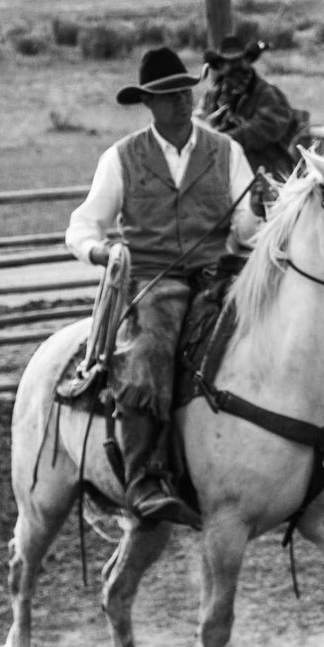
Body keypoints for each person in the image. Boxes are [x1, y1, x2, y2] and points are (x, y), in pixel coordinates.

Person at [64, 45, 262, 526]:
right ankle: (144, 477)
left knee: (276, 329)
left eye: (184, 90)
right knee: (151, 348)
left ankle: (306, 449)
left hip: (219, 276)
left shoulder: (226, 151)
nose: (180, 100)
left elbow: (246, 228)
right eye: (167, 94)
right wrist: (103, 251)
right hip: (154, 280)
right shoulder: (121, 159)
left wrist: (259, 222)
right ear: (148, 103)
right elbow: (82, 227)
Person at [200, 34, 311, 192]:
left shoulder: (267, 92)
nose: (235, 68)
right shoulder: (213, 95)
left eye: (239, 61)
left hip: (267, 175)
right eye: (228, 63)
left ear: (248, 61)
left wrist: (227, 140)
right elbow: (200, 123)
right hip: (224, 175)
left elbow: (268, 125)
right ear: (220, 65)